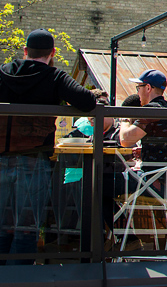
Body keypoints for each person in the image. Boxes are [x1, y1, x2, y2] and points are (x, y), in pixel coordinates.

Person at [0, 29, 96, 264]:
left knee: (2, 227)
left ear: (25, 51)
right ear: (52, 53)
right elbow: (87, 101)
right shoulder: (54, 76)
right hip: (33, 159)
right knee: (27, 228)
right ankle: (20, 280)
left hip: (1, 158)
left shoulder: (4, 72)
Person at [119, 69, 167, 192]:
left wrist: (124, 118)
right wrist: (153, 148)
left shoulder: (151, 111)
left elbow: (125, 140)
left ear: (148, 88)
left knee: (100, 180)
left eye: (138, 87)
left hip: (150, 183)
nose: (138, 92)